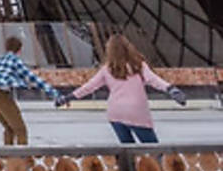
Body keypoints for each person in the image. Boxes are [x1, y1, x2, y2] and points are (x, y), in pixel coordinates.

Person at [55, 34, 186, 143]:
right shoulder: (138, 66)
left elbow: (89, 87)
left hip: (115, 112)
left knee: (127, 152)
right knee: (153, 149)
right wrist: (171, 89)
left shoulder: (107, 69)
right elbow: (154, 80)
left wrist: (68, 97)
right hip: (136, 112)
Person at [0, 36, 62, 145]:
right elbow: (34, 79)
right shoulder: (15, 60)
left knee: (9, 128)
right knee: (20, 129)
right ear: (20, 49)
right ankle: (22, 159)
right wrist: (56, 95)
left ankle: (8, 157)